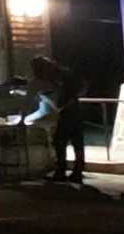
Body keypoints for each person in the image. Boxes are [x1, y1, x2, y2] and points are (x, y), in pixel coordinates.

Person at [30, 55, 87, 183]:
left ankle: (62, 171)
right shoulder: (63, 73)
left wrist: (63, 102)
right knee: (76, 141)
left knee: (60, 141)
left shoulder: (57, 76)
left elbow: (61, 95)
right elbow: (80, 87)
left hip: (68, 111)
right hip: (74, 109)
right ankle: (77, 171)